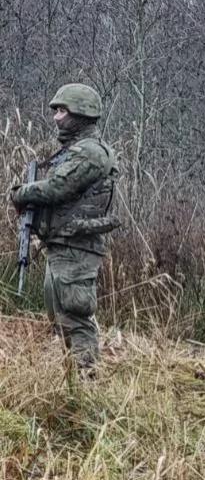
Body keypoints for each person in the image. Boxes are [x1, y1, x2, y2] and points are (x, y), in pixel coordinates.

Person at [11, 84, 119, 374]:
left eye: (62, 111)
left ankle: (87, 380)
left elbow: (58, 188)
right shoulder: (74, 151)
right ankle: (75, 378)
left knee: (75, 316)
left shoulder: (90, 153)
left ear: (81, 114)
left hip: (77, 248)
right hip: (63, 245)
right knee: (60, 317)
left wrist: (22, 193)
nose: (56, 117)